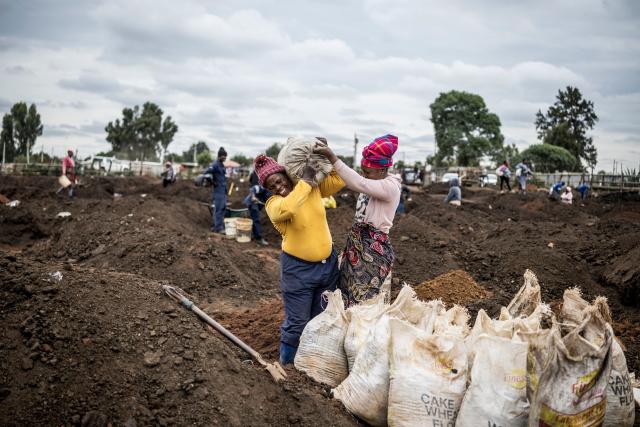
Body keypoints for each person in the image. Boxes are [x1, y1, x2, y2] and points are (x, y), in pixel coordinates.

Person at [253, 153, 345, 365]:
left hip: (327, 267)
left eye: (278, 180)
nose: (277, 186)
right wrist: (306, 180)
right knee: (297, 323)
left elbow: (338, 181)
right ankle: (287, 367)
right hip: (298, 272)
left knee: (320, 319)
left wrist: (329, 156)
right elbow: (289, 208)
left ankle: (313, 365)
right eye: (271, 185)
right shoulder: (274, 203)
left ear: (286, 174)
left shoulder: (311, 188)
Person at [314, 134, 402, 306]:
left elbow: (359, 183)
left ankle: (363, 333)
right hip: (356, 245)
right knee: (345, 294)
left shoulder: (390, 187)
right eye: (362, 170)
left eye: (367, 172)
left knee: (363, 303)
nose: (364, 175)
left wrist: (332, 157)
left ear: (382, 170)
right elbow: (356, 180)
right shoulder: (373, 181)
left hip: (373, 251)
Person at [203, 148, 228, 233]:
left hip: (223, 190)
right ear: (219, 156)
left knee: (222, 208)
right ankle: (218, 228)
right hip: (218, 191)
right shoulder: (215, 165)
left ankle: (217, 226)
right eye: (223, 156)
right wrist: (212, 182)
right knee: (219, 209)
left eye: (225, 156)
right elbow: (206, 173)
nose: (225, 157)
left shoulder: (221, 165)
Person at [243, 171, 270, 246]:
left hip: (257, 204)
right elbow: (253, 189)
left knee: (254, 220)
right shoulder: (263, 188)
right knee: (256, 220)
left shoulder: (271, 192)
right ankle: (258, 238)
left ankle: (252, 235)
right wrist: (253, 197)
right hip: (253, 203)